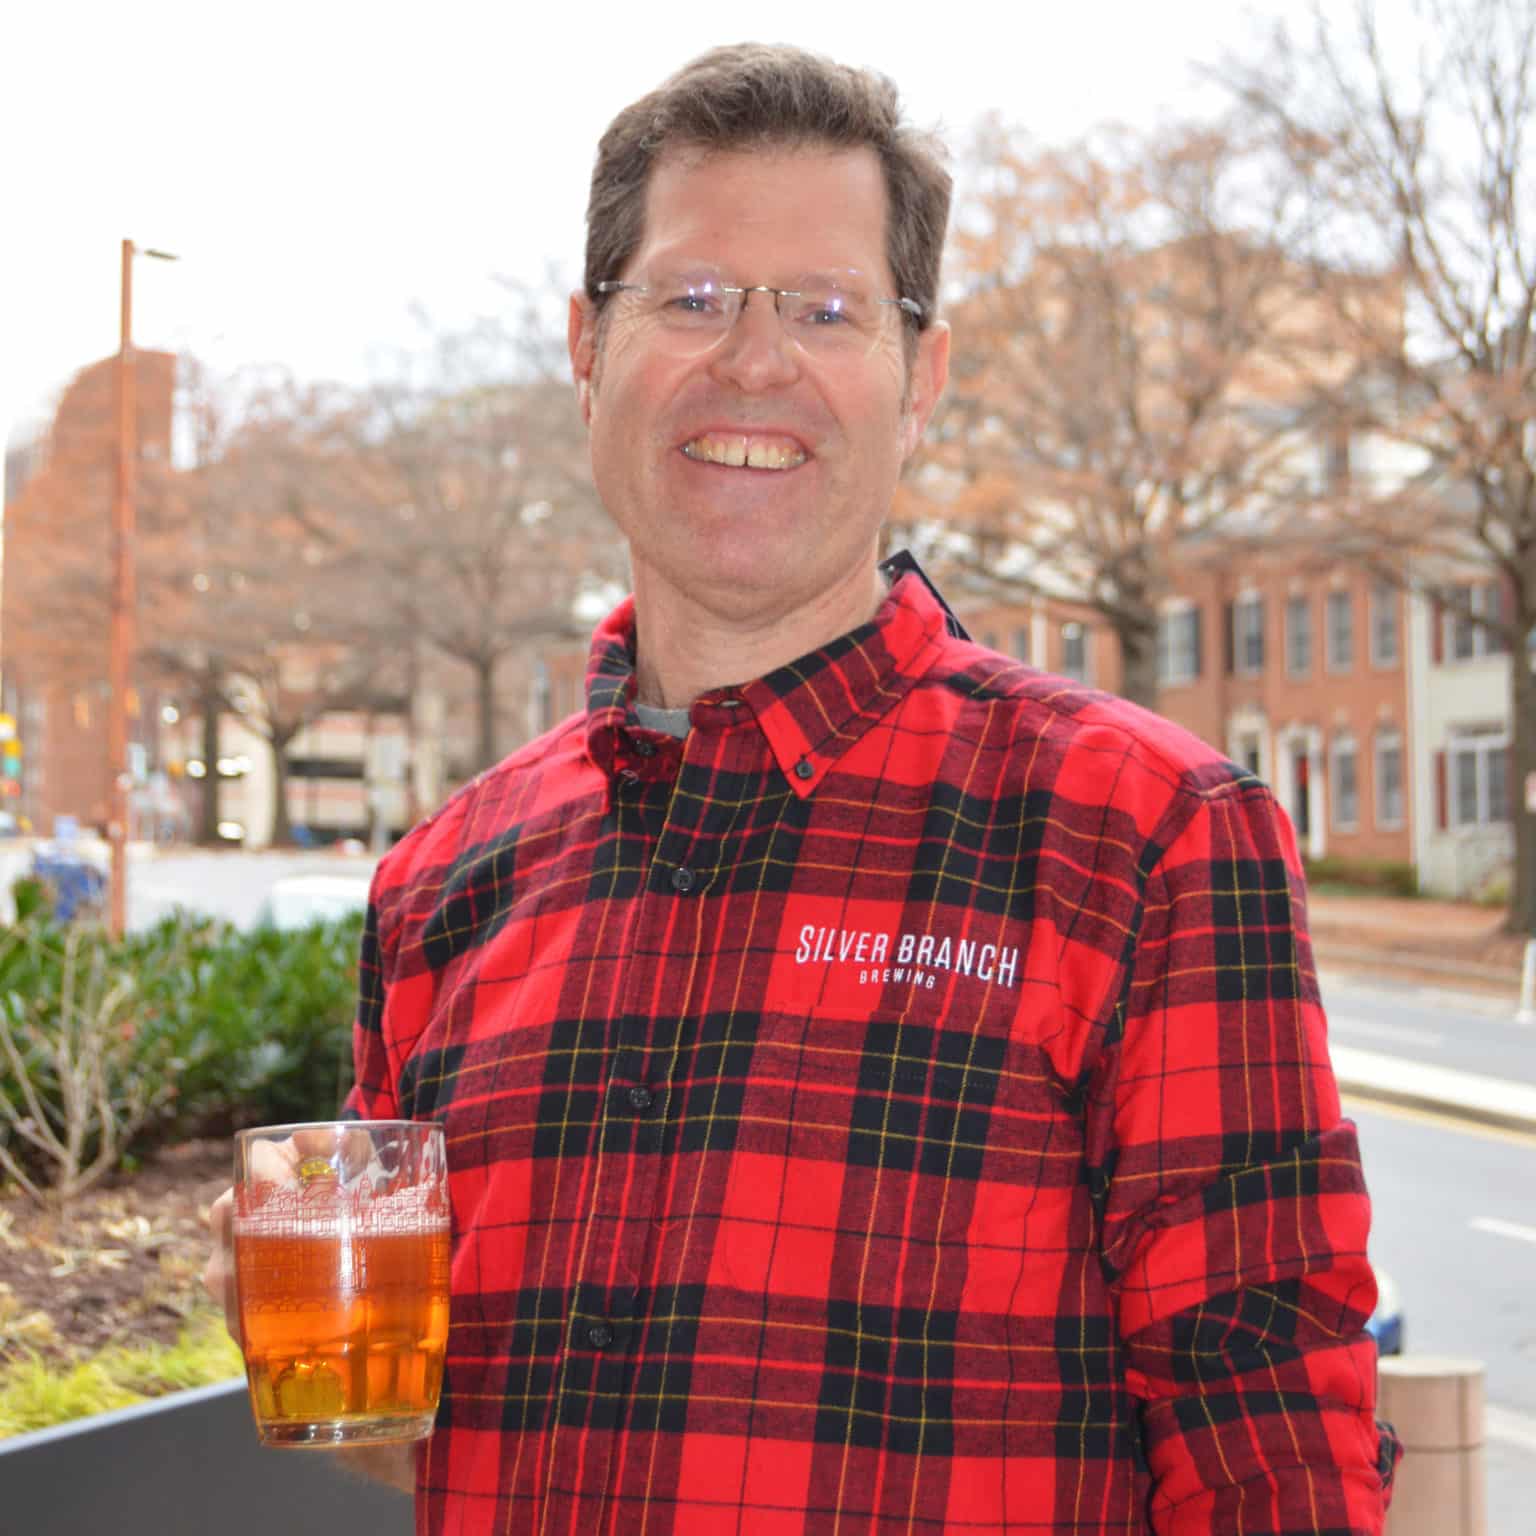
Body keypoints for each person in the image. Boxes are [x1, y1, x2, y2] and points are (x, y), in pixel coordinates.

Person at [207, 43, 1399, 1534]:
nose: (755, 362)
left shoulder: (1145, 835)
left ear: (922, 380)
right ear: (587, 351)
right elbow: (434, 1446)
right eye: (693, 299)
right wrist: (322, 1358)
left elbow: (1272, 1455)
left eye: (827, 310)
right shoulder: (443, 885)